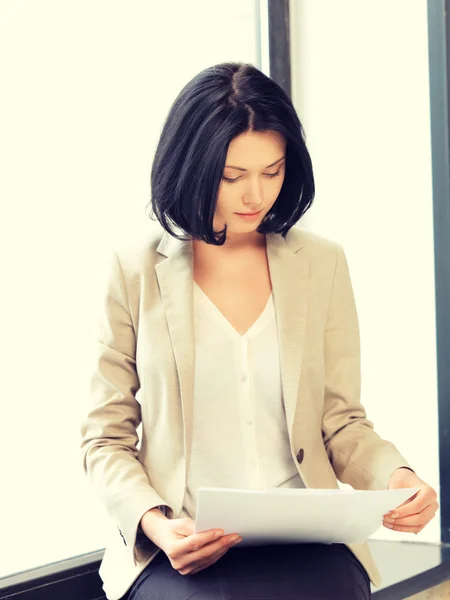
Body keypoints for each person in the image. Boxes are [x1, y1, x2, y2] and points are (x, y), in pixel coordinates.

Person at [80, 62, 438, 600]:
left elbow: (342, 421)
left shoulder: (321, 263)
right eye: (232, 176)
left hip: (307, 533)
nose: (256, 195)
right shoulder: (133, 270)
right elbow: (104, 438)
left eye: (272, 172)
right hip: (184, 537)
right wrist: (155, 524)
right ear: (193, 167)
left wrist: (396, 478)